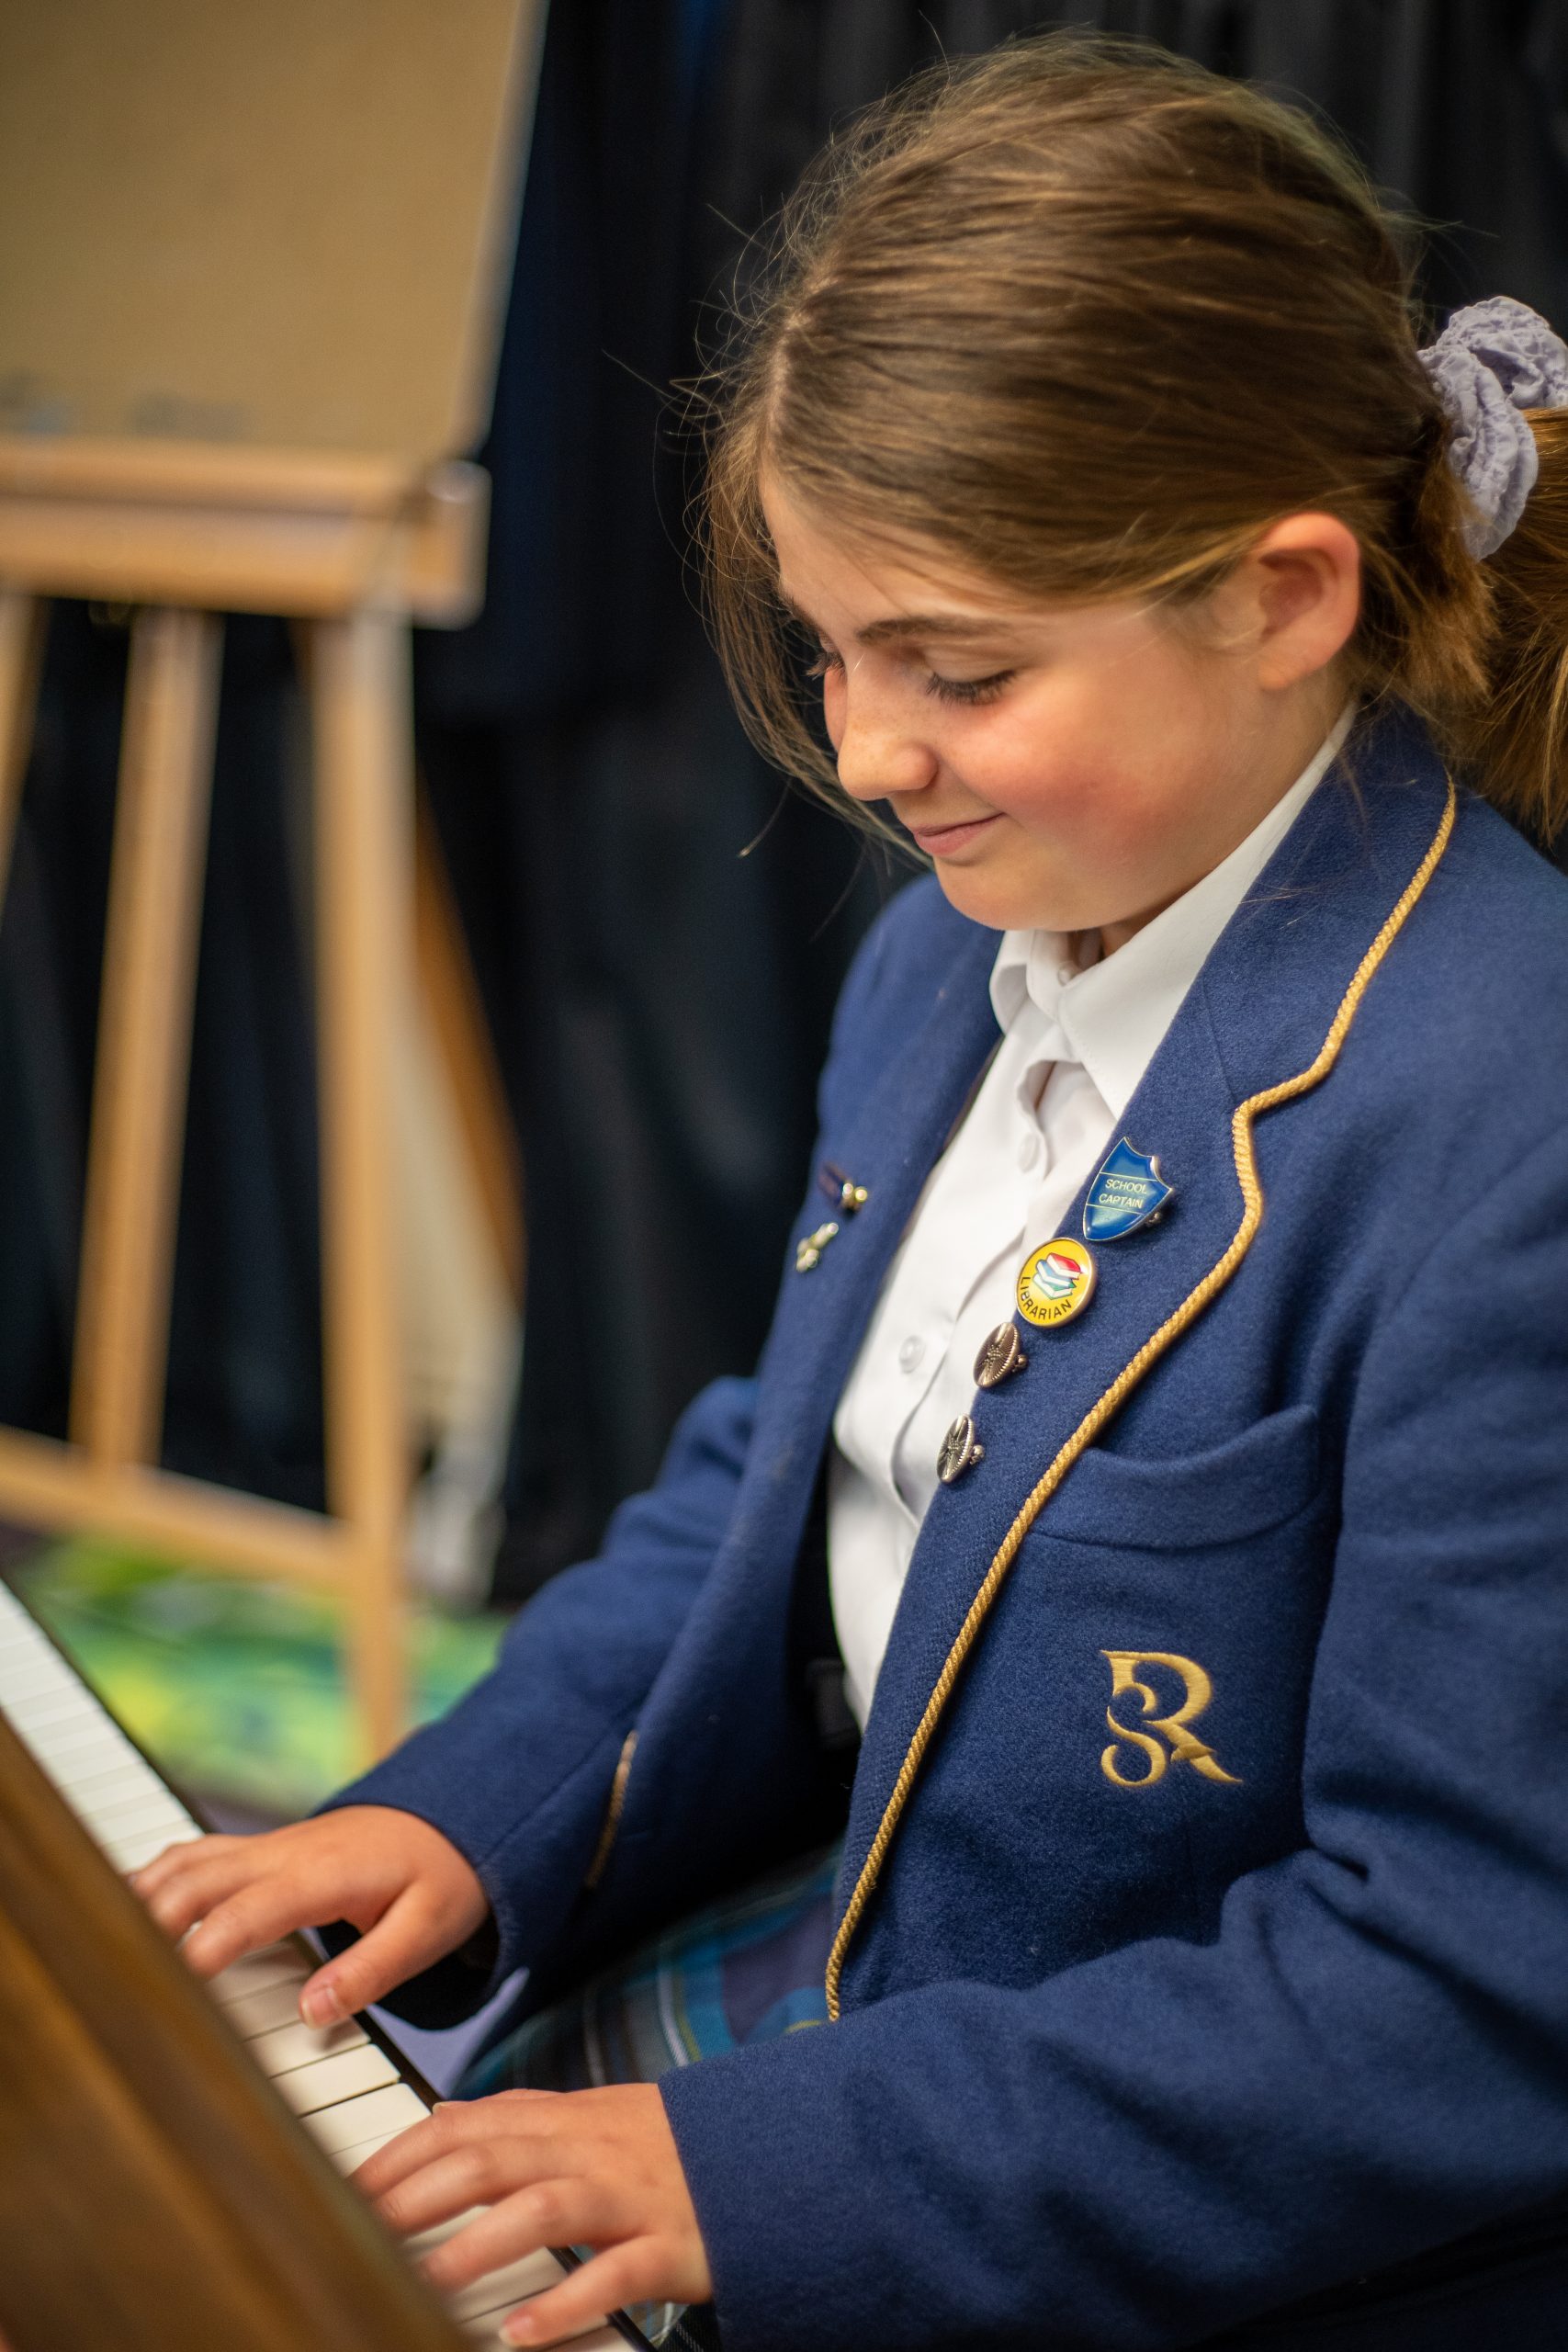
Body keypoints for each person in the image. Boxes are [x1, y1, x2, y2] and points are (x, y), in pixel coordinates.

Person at [133, 35, 1568, 2351]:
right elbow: (775, 1487)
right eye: (823, 650)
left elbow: (1460, 1986)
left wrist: (766, 2165)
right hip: (867, 1958)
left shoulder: (1506, 1122)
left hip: (1144, 2180)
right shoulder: (943, 953)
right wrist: (465, 1812)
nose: (867, 752)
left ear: (1286, 595)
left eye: (958, 669)